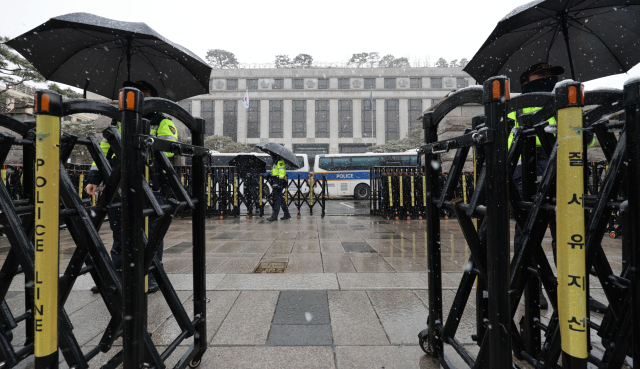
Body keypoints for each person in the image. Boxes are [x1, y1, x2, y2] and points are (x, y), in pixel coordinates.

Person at [510, 63, 606, 312]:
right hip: (527, 173)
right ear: (527, 78)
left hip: (564, 170)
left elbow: (585, 133)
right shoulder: (518, 105)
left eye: (550, 75)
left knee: (569, 233)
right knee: (529, 233)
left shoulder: (566, 98)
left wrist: (584, 133)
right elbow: (510, 138)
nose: (547, 78)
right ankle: (532, 289)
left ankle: (575, 288)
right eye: (540, 74)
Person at [85, 80, 179, 293]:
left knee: (151, 233)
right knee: (119, 231)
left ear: (151, 97)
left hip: (151, 182)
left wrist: (142, 143)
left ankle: (152, 275)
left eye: (141, 94)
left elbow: (170, 149)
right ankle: (118, 275)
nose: (136, 98)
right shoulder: (117, 122)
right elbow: (104, 153)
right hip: (119, 182)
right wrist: (94, 178)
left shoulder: (162, 121)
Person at [266, 154, 291, 222]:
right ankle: (287, 214)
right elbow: (275, 172)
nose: (272, 156)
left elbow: (281, 172)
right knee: (280, 199)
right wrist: (270, 176)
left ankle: (274, 216)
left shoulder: (280, 161)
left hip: (278, 182)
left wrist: (280, 181)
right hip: (276, 181)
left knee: (277, 199)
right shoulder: (275, 161)